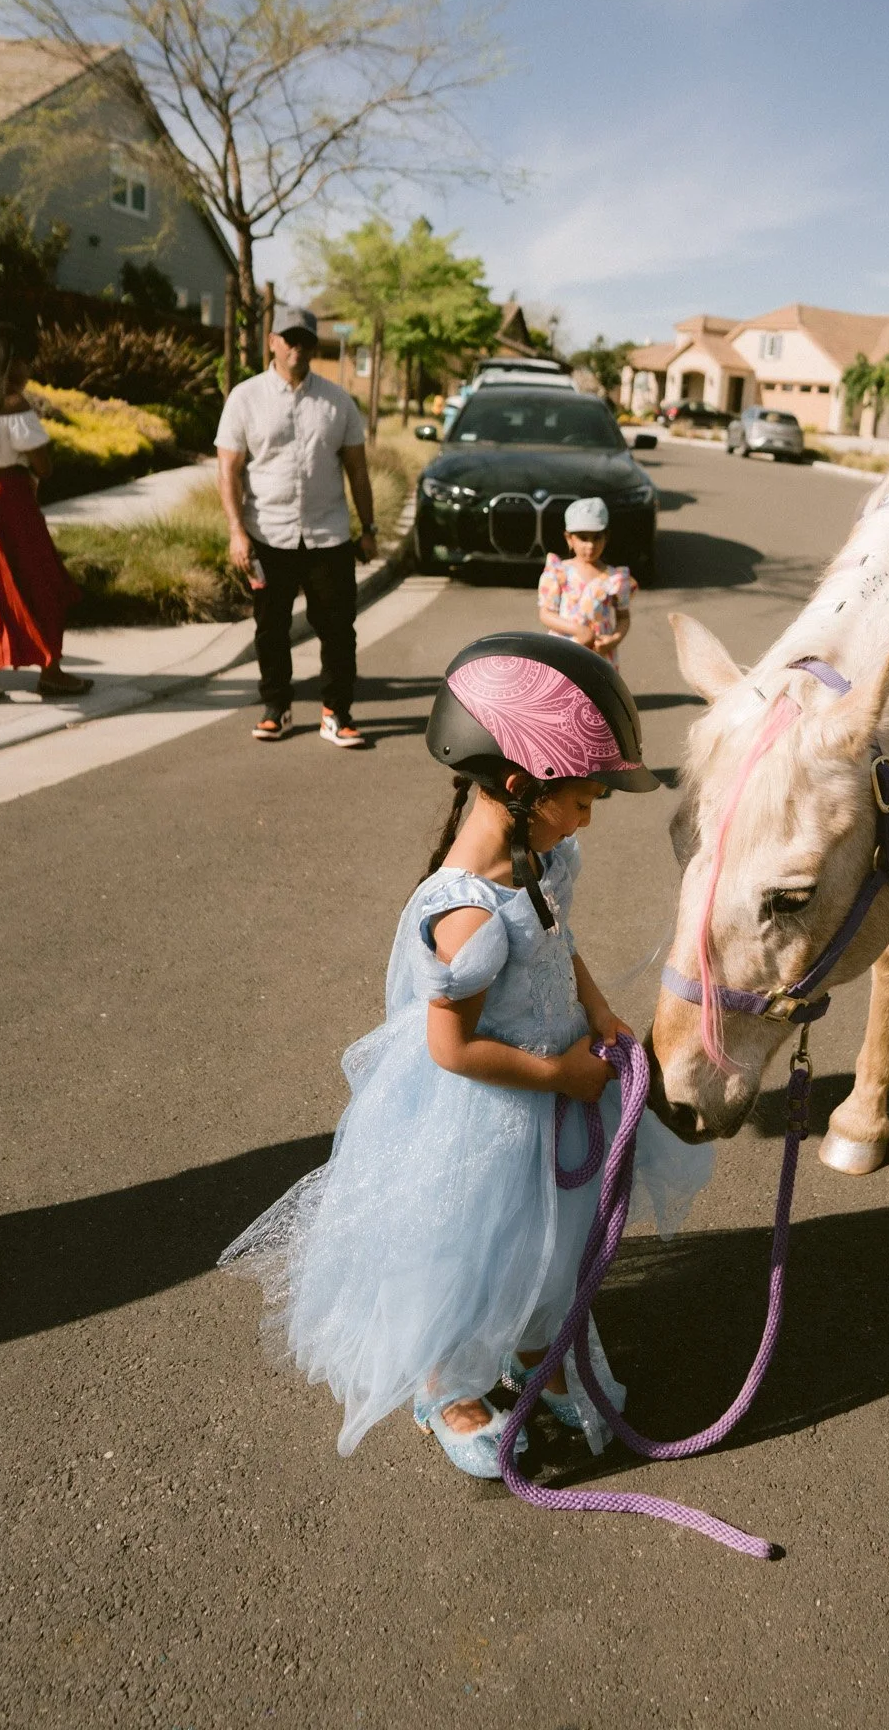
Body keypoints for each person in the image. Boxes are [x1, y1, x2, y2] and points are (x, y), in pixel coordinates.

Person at [220, 632, 709, 1478]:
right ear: (519, 786)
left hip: (555, 1081)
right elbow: (451, 1048)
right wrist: (558, 1074)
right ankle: (446, 1378)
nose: (593, 811)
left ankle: (542, 1343)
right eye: (585, 794)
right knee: (468, 1251)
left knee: (557, 1236)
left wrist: (594, 1007)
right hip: (486, 1107)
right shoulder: (467, 917)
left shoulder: (545, 853)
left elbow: (559, 937)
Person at [215, 304, 378, 749]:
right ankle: (277, 708)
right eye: (289, 338)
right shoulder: (245, 398)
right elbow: (228, 469)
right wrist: (236, 531)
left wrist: (369, 527)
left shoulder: (338, 401)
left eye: (305, 340)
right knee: (271, 629)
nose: (297, 348)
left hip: (328, 534)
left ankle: (336, 712)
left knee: (339, 630)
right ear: (272, 341)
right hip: (268, 533)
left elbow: (358, 472)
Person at [0, 323, 92, 704]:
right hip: (5, 497)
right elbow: (43, 467)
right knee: (39, 578)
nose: (31, 368)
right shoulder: (15, 406)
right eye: (27, 360)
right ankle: (51, 672)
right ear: (11, 363)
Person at [537, 497, 635, 667]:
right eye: (583, 538)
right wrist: (579, 631)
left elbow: (623, 617)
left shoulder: (614, 578)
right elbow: (546, 613)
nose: (590, 546)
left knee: (594, 690)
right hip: (565, 648)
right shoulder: (560, 571)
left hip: (599, 653)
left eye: (597, 538)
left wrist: (613, 639)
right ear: (569, 538)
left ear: (606, 537)